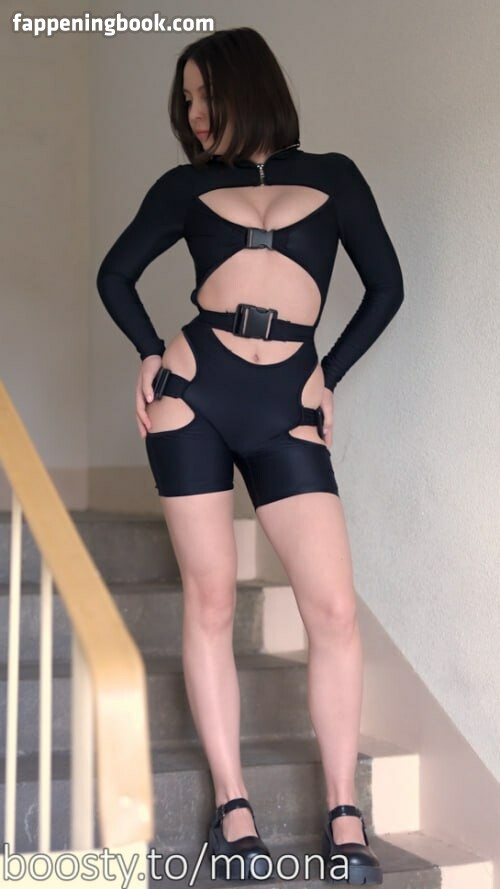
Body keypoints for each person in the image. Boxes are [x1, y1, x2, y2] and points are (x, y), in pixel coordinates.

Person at [96, 25, 404, 885]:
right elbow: (115, 275)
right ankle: (233, 806)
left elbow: (387, 287)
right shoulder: (183, 187)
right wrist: (148, 351)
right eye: (186, 99)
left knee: (333, 609)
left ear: (247, 85)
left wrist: (329, 374)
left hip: (285, 408)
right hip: (192, 397)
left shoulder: (335, 176)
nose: (194, 112)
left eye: (204, 93)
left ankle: (344, 812)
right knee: (212, 598)